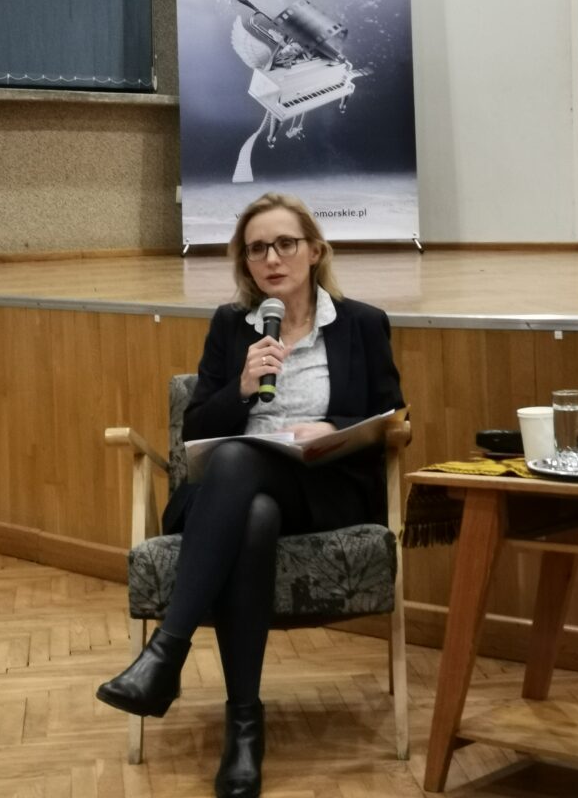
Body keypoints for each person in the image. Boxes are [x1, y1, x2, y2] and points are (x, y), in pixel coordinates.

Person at [96, 192, 404, 798]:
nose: (271, 258)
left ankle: (166, 655)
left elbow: (392, 416)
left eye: (285, 243)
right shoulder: (230, 325)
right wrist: (240, 387)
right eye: (257, 248)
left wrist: (332, 426)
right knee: (252, 504)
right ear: (246, 262)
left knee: (241, 463)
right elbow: (196, 432)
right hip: (233, 497)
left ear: (315, 251)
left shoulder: (362, 324)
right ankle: (243, 730)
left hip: (322, 488)